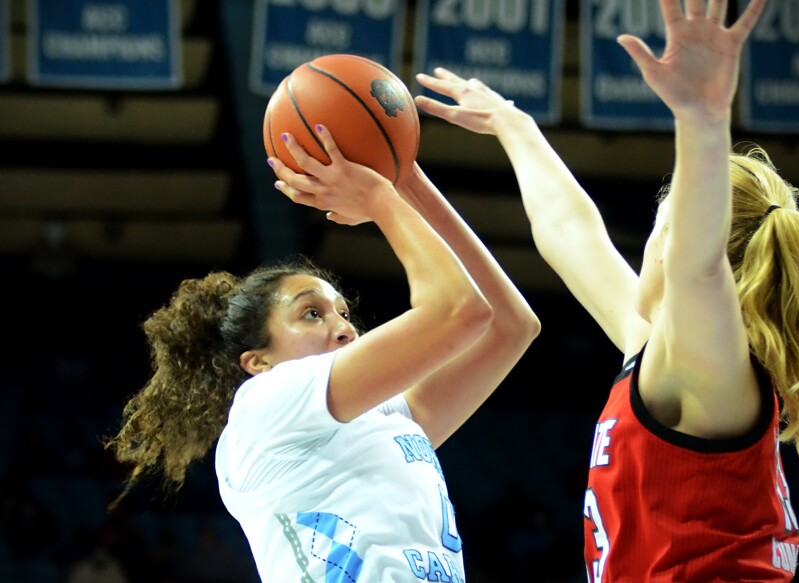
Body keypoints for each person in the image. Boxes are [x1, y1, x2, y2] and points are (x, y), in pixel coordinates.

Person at [413, 0, 799, 580]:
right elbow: (568, 232)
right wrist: (513, 124)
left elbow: (697, 268)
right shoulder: (659, 356)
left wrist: (703, 121)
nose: (646, 243)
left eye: (662, 223)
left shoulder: (712, 371)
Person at [104, 125, 540, 582]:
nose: (343, 327)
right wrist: (379, 197)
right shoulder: (265, 405)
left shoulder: (388, 416)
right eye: (311, 313)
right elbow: (460, 311)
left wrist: (406, 179)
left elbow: (512, 327)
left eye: (343, 311)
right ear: (258, 361)